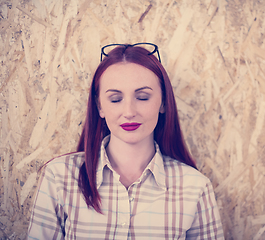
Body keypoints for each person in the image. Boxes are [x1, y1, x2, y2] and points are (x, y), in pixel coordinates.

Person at [27, 43, 224, 239]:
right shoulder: (59, 177)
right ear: (100, 106)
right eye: (115, 99)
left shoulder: (196, 188)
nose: (129, 112)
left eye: (143, 97)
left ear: (163, 102)